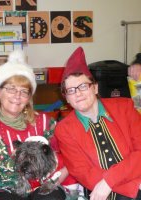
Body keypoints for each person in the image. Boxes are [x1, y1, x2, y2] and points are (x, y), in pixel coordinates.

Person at [0, 50, 78, 200]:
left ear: (29, 98)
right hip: (3, 189)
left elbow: (70, 153)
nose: (17, 96)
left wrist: (55, 180)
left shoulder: (44, 122)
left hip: (43, 186)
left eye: (24, 91)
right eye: (11, 89)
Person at [54, 47, 141, 200]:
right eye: (71, 90)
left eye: (83, 86)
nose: (78, 94)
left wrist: (108, 181)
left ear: (95, 87)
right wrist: (127, 187)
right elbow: (83, 171)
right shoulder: (64, 129)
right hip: (103, 192)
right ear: (66, 98)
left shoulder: (124, 107)